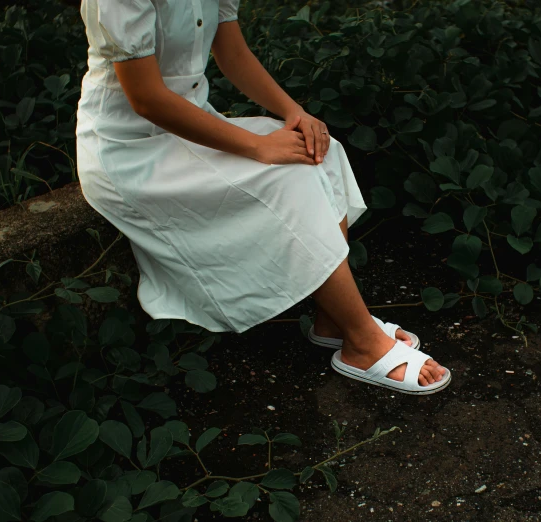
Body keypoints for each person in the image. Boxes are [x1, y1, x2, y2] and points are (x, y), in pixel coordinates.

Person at [75, 0, 450, 394]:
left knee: (318, 152)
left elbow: (232, 52)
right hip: (129, 151)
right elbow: (147, 98)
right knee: (284, 179)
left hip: (195, 128)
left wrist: (295, 113)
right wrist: (257, 147)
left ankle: (332, 319)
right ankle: (362, 341)